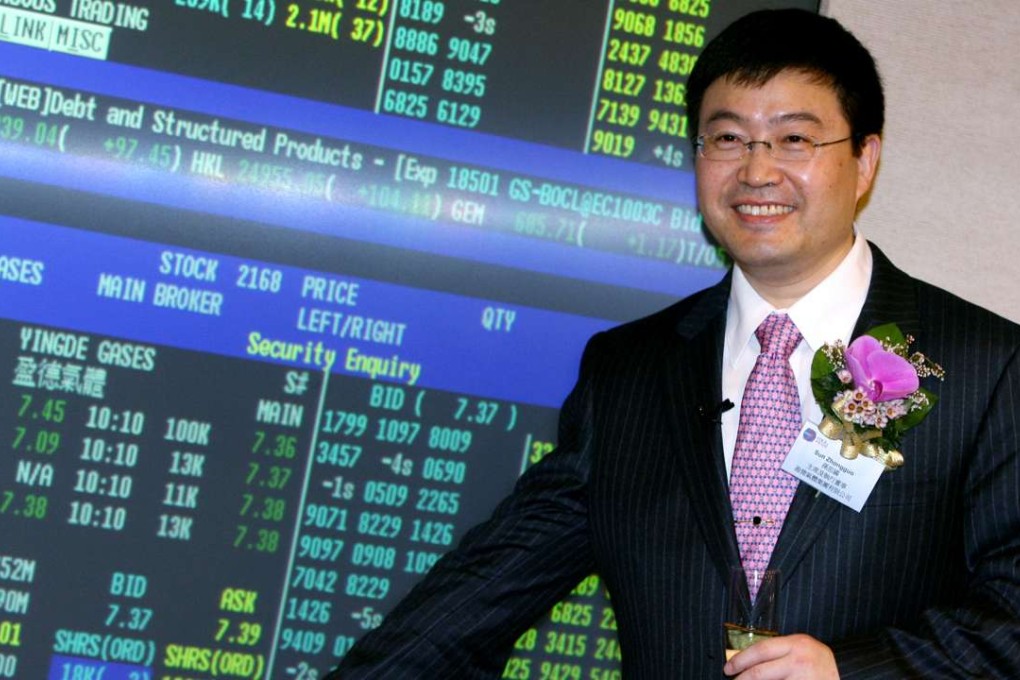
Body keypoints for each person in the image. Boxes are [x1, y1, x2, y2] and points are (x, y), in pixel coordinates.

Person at [325, 9, 1020, 678]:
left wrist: (853, 671)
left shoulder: (984, 367)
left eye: (794, 140)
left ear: (864, 160)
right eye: (727, 139)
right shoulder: (629, 373)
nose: (756, 171)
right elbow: (482, 593)